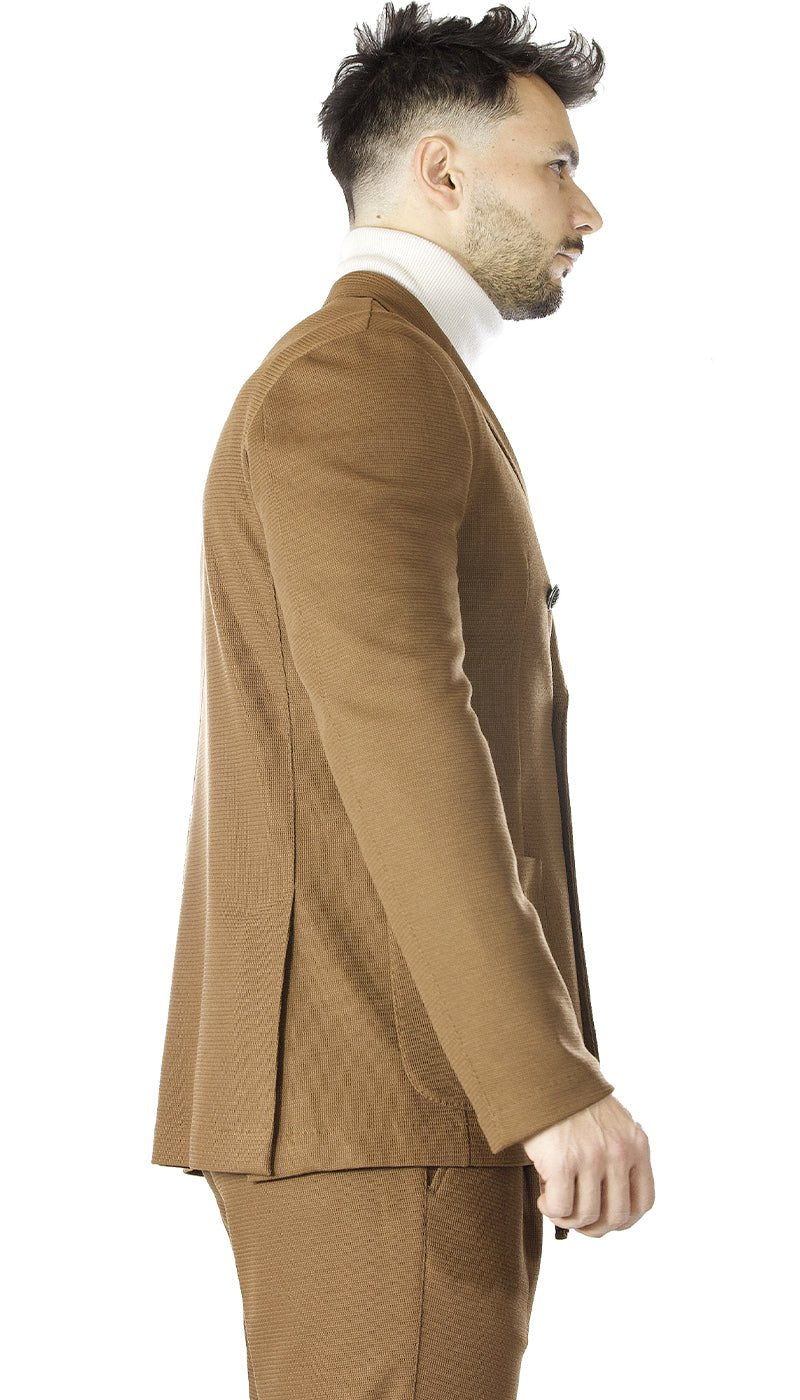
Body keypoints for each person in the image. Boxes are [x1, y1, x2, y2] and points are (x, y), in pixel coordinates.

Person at [150, 4, 655, 1396]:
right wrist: (543, 1076)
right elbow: (402, 737)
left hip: (395, 1094)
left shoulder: (399, 374)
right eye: (557, 167)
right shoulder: (363, 378)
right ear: (442, 170)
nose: (588, 210)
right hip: (385, 1091)